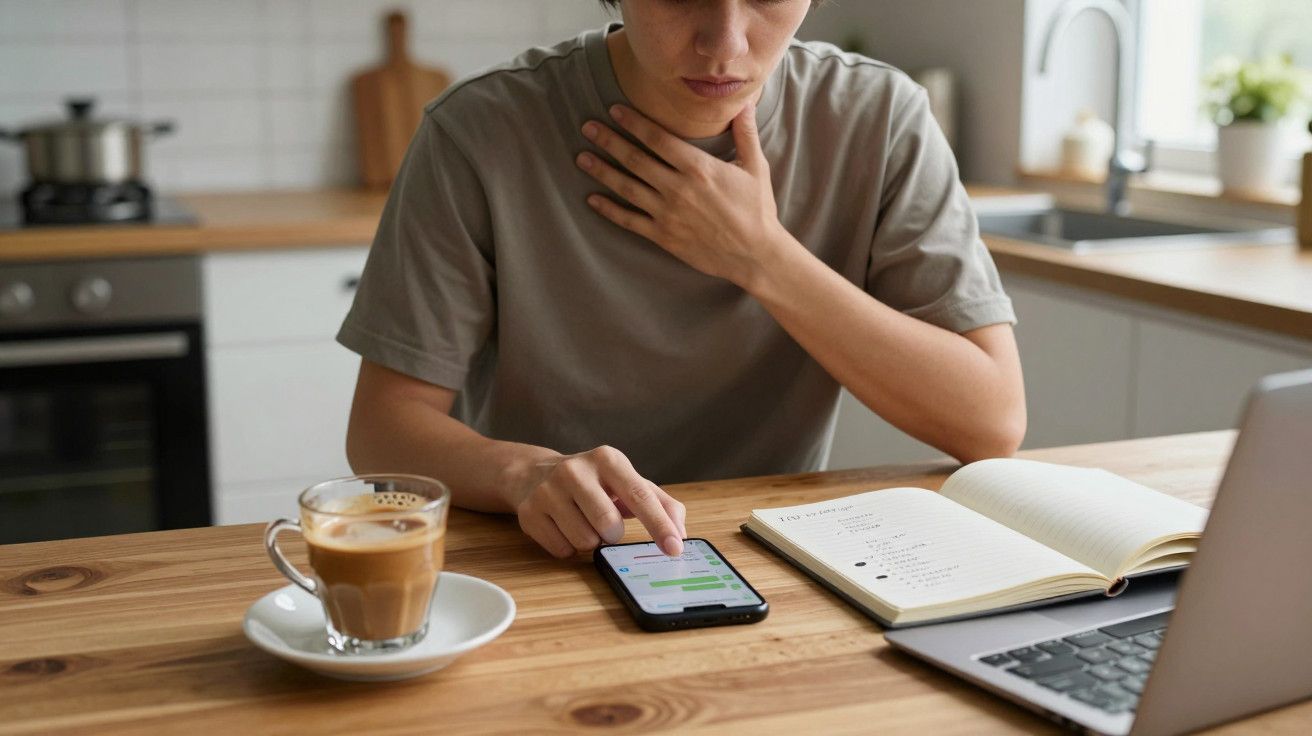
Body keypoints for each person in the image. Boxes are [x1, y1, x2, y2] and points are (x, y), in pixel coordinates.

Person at [338, 0, 1026, 561]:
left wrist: (761, 255)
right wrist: (527, 474)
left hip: (777, 556)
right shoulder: (479, 132)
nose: (725, 44)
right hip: (546, 554)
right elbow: (381, 433)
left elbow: (991, 422)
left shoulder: (879, 118)